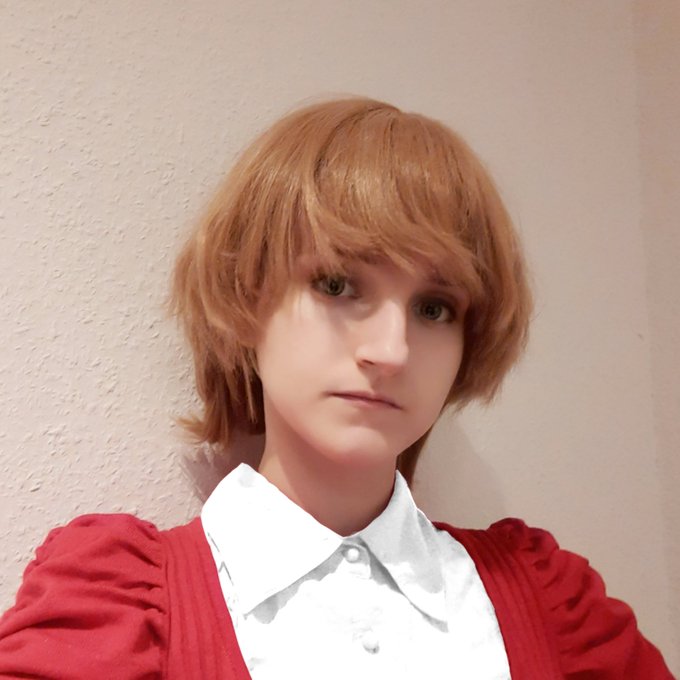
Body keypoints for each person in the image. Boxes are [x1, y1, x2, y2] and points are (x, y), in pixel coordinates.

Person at [0, 97, 673, 679]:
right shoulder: (114, 610)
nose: (391, 351)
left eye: (434, 308)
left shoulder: (553, 604)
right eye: (337, 284)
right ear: (246, 296)